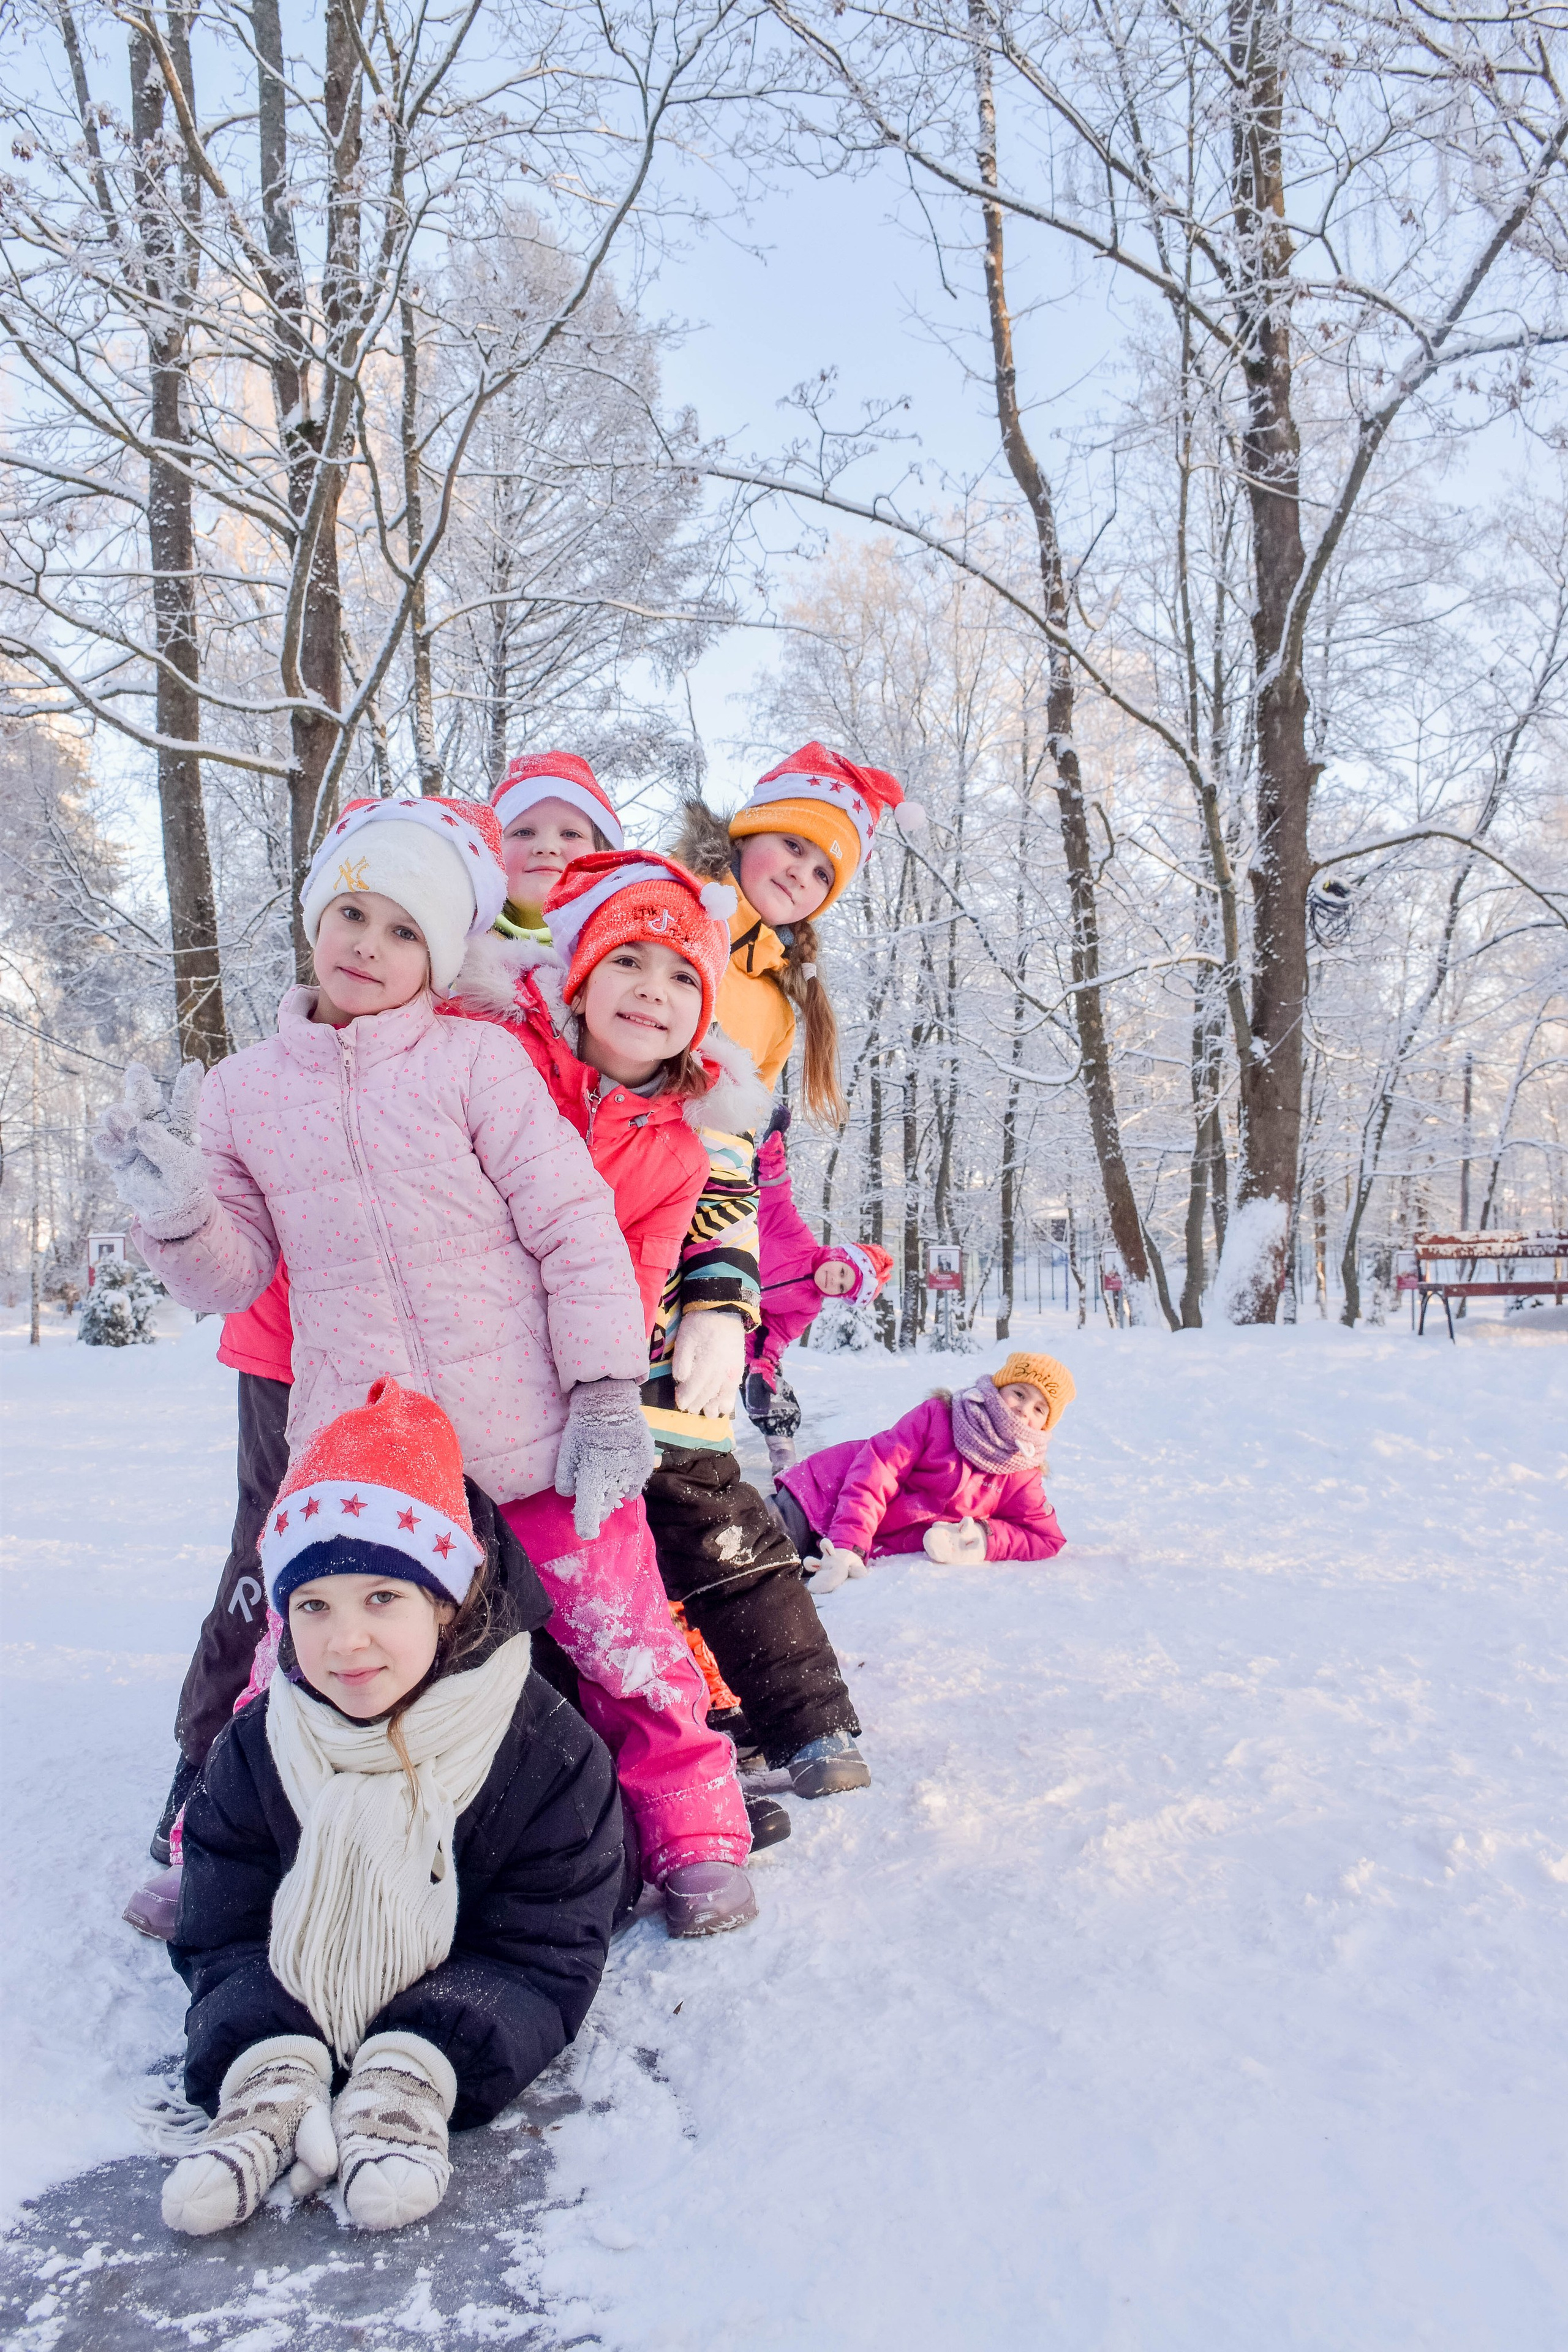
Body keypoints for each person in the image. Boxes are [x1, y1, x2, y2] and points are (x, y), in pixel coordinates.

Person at [97, 792, 755, 1942]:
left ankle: (695, 1829)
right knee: (300, 1659)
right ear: (316, 919)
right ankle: (225, 1847)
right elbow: (233, 1275)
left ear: (443, 954)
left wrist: (605, 1394)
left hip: (527, 1421)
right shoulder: (247, 1091)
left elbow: (572, 1228)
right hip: (366, 1441)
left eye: (407, 931)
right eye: (354, 912)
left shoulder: (478, 1065)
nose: (371, 946)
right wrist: (176, 1210)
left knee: (621, 1633)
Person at [448, 840, 869, 1803]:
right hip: (528, 1374)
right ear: (579, 978)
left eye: (683, 975)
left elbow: (725, 1228)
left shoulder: (703, 1124)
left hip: (662, 1356)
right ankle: (616, 1768)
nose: (650, 991)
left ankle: (808, 1719)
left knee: (716, 1526)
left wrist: (723, 1312)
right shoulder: (520, 1085)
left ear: (706, 1011)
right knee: (581, 1576)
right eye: (626, 962)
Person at [161, 1379, 630, 2240]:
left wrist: (418, 2063)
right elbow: (222, 1929)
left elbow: (545, 1948)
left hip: (469, 1995)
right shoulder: (256, 1750)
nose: (346, 1641)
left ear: (447, 1603)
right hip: (286, 2033)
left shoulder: (548, 1756)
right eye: (314, 1606)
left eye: (383, 1597)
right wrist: (265, 2053)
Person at [671, 740, 914, 1120]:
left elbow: (737, 1133)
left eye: (822, 875)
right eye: (794, 846)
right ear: (748, 833)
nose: (801, 875)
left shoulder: (779, 1016)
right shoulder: (654, 905)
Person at [771, 1354, 1076, 1591]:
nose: (1024, 1410)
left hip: (873, 1541)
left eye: (1039, 1409)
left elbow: (1045, 1538)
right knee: (748, 1550)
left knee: (770, 1591)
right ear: (997, 1388)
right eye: (1020, 1394)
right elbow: (878, 1473)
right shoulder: (940, 1416)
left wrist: (983, 1539)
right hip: (822, 1498)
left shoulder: (1021, 1474)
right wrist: (848, 1544)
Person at [743, 1109, 895, 1477]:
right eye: (842, 1272)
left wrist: (760, 1369)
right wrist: (774, 1149)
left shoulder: (807, 1307)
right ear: (840, 1256)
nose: (835, 1282)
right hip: (712, 1257)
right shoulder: (797, 1238)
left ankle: (783, 1457)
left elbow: (774, 1336)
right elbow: (776, 1194)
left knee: (769, 1386)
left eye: (843, 1288)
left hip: (735, 1320)